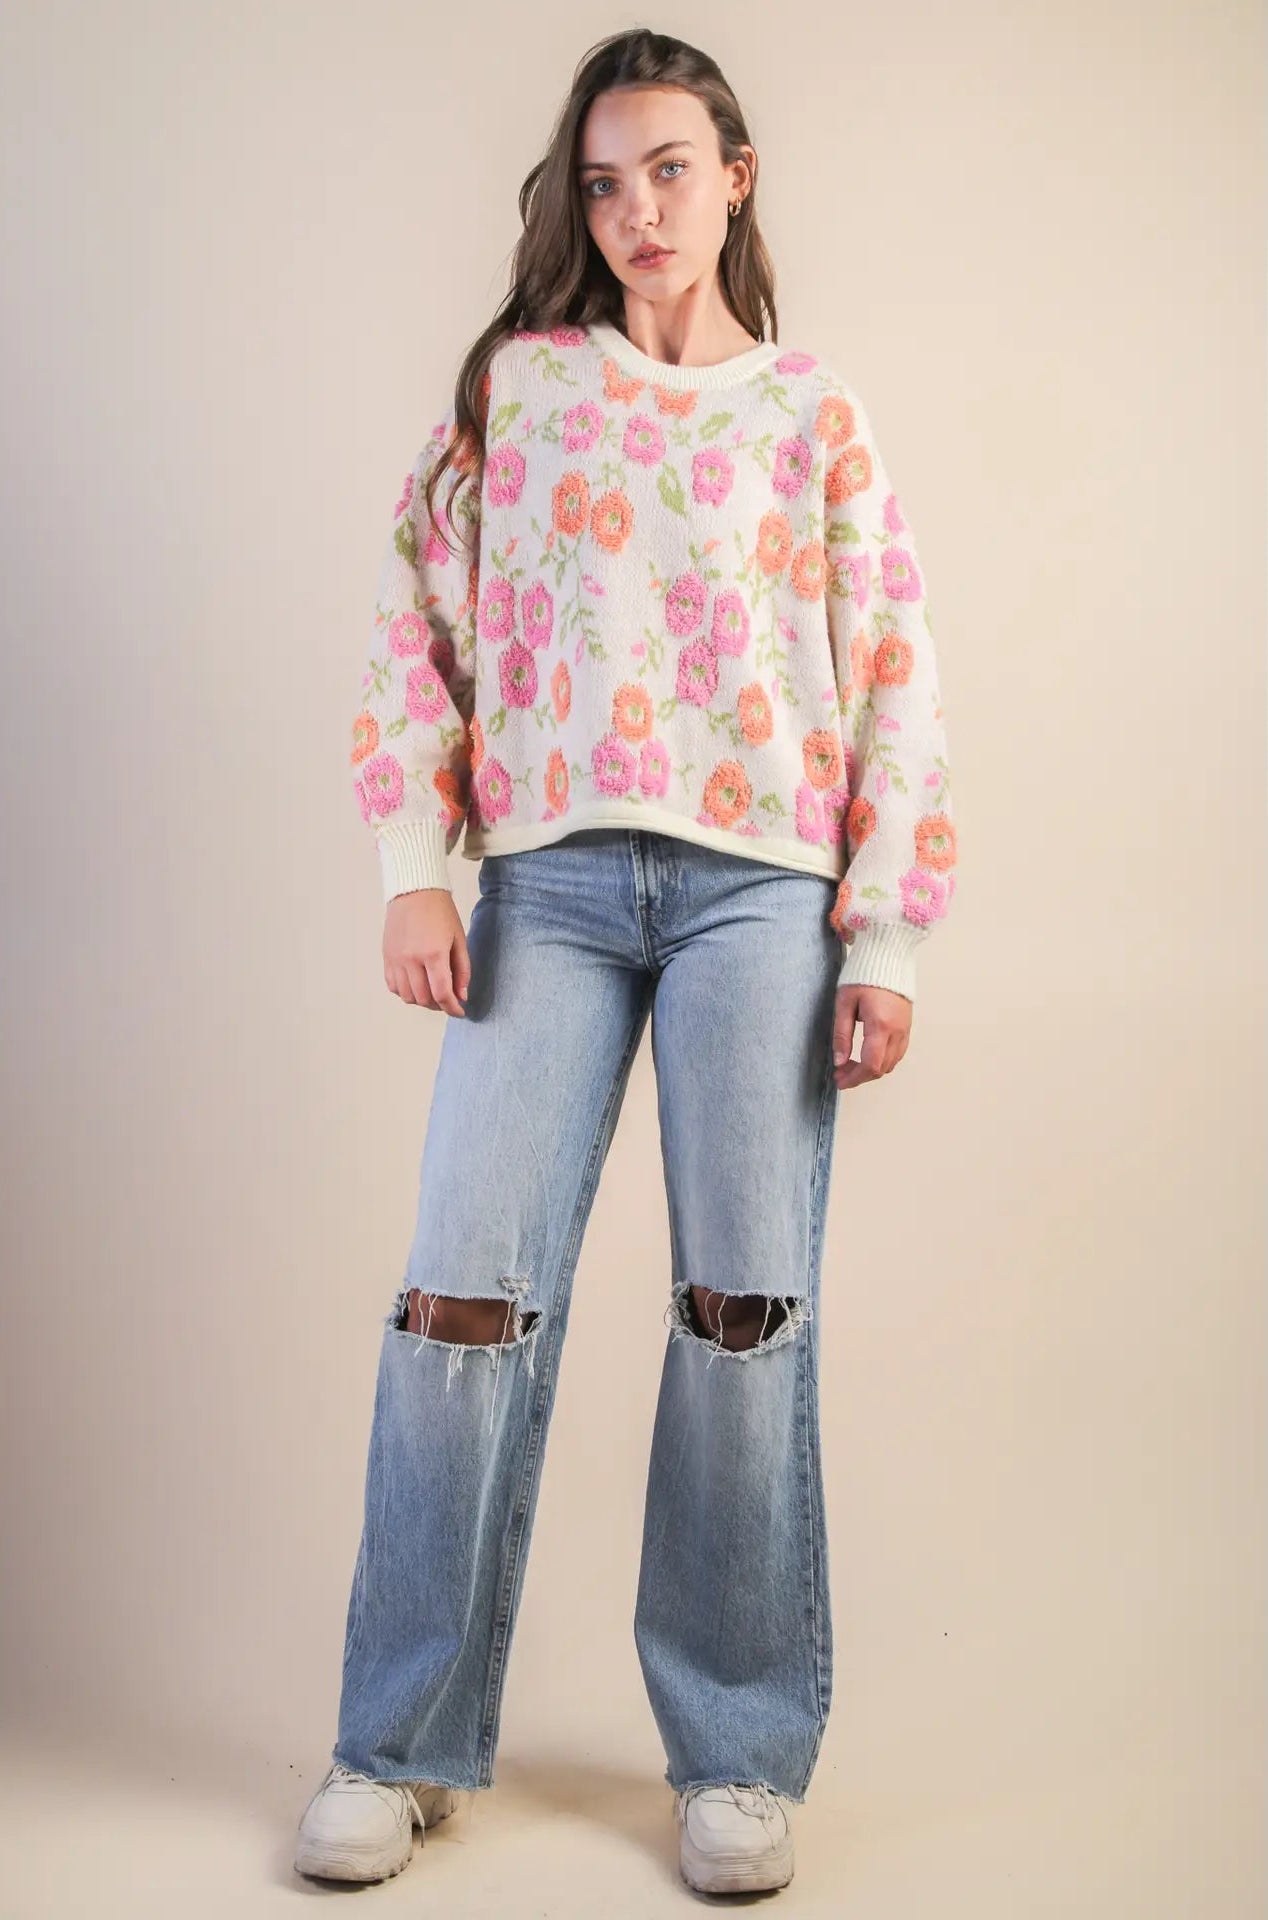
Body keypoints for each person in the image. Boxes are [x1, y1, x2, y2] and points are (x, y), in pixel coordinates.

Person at [294, 25, 957, 1898]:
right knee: (460, 1302)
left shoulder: (810, 410)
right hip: (553, 886)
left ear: (735, 177)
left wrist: (887, 930)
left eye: (670, 169)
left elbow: (893, 666)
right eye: (604, 182)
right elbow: (413, 616)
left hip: (765, 895)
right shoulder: (522, 387)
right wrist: (415, 870)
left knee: (745, 1315)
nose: (638, 211)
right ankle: (396, 1742)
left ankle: (737, 1754)